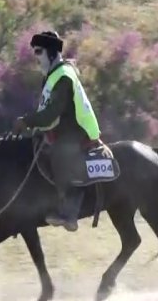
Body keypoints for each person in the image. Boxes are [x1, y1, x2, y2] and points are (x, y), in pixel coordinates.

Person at [13, 30, 102, 231]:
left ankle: (70, 210)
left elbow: (52, 113)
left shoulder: (63, 77)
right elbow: (46, 112)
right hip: (63, 126)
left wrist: (26, 121)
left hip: (78, 130)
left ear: (52, 53)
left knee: (61, 154)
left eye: (38, 52)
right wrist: (31, 125)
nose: (35, 57)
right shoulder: (53, 75)